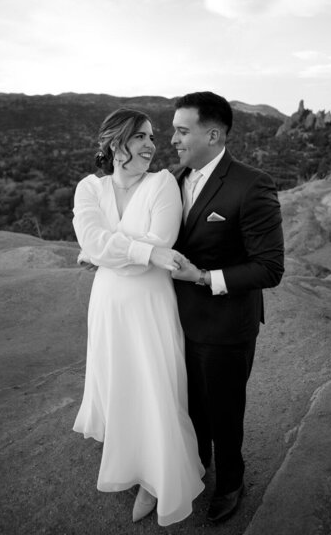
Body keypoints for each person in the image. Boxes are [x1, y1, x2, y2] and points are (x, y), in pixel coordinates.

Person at [72, 108, 204, 527]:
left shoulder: (163, 183)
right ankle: (128, 454)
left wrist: (108, 252)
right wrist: (140, 253)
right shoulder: (88, 189)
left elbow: (161, 238)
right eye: (140, 137)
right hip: (109, 302)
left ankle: (156, 475)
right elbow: (94, 240)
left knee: (154, 382)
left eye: (152, 136)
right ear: (115, 143)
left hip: (150, 302)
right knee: (119, 378)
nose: (151, 144)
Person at [170, 91, 284, 523]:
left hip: (225, 326)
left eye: (183, 131)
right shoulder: (173, 179)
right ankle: (196, 466)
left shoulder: (251, 184)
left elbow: (270, 268)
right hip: (175, 320)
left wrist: (203, 278)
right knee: (189, 404)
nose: (175, 140)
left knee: (223, 412)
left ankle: (231, 481)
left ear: (213, 134)